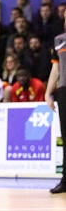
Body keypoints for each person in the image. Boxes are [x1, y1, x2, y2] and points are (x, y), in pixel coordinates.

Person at [45, 16, 66, 193]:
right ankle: (65, 180)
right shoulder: (59, 41)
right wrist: (48, 92)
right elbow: (55, 69)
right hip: (64, 91)